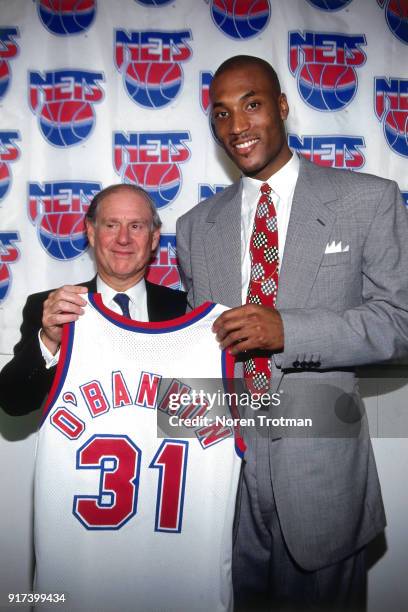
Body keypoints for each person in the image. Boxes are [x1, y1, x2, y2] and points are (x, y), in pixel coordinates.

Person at [176, 55, 408, 611]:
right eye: (222, 114)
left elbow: (400, 322)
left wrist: (290, 332)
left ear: (281, 107)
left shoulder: (366, 199)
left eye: (251, 105)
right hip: (224, 486)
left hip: (322, 478)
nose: (237, 126)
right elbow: (191, 346)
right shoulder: (193, 228)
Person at [0, 183, 186, 416]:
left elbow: (204, 411)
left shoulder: (186, 309)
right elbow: (15, 403)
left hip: (164, 450)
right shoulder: (52, 309)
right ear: (91, 232)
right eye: (111, 225)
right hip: (82, 452)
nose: (123, 239)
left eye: (136, 226)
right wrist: (49, 340)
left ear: (155, 238)